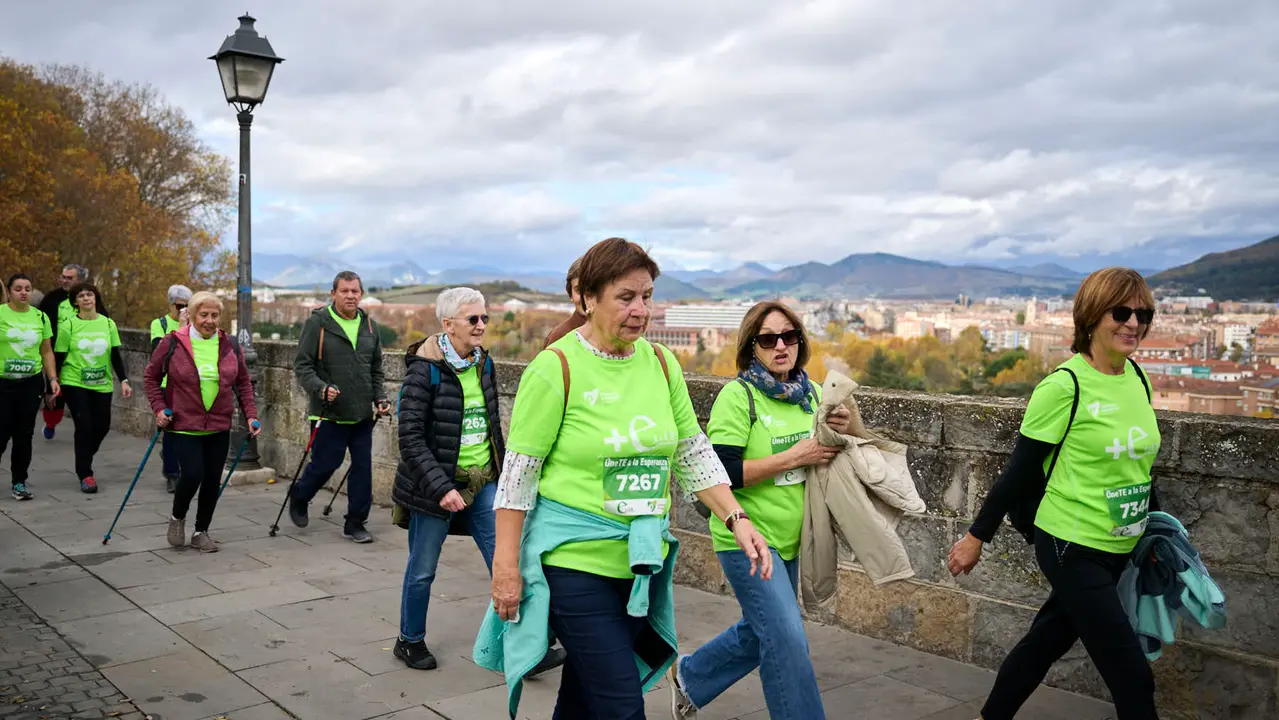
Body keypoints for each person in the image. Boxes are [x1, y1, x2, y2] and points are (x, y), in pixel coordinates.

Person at [483, 238, 773, 719]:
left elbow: (692, 452)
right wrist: (506, 567)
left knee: (582, 696)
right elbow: (518, 479)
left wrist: (736, 518)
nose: (640, 310)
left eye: (647, 296)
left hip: (640, 561)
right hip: (573, 561)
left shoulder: (660, 363)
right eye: (625, 297)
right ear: (588, 299)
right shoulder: (555, 368)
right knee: (621, 704)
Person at [947, 267, 1161, 720]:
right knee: (1133, 678)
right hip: (1071, 544)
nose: (1133, 323)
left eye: (1143, 314)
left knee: (1046, 641)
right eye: (1121, 312)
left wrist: (1154, 531)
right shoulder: (1066, 386)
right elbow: (1018, 472)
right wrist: (976, 537)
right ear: (1092, 316)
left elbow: (1138, 466)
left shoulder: (1137, 379)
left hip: (1119, 544)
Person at [669, 301, 849, 719]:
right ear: (752, 347)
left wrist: (844, 427)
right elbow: (720, 473)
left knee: (763, 630)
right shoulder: (739, 398)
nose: (781, 346)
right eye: (768, 339)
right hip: (746, 540)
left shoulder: (812, 395)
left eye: (789, 336)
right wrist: (794, 456)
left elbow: (834, 450)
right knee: (786, 638)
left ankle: (690, 677)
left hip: (792, 540)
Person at [145, 292, 260, 552]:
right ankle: (177, 517)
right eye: (204, 314)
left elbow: (243, 382)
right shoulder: (173, 342)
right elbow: (151, 377)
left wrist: (251, 415)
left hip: (219, 424)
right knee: (193, 473)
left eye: (215, 315)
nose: (209, 320)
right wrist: (159, 408)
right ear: (192, 315)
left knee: (211, 480)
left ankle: (201, 531)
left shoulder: (229, 344)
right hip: (183, 423)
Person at [289, 271, 392, 542]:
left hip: (362, 414)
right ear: (333, 294)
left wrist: (380, 398)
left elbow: (376, 370)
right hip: (329, 412)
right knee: (326, 464)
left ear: (361, 294)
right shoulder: (318, 324)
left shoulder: (370, 327)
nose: (350, 296)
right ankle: (300, 495)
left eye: (355, 291)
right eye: (344, 291)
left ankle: (355, 522)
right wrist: (321, 388)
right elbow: (302, 365)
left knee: (362, 469)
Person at [54, 282, 130, 494]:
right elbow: (59, 356)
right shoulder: (68, 325)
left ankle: (84, 456)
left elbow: (115, 354)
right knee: (84, 425)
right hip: (74, 382)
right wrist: (53, 383)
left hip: (102, 383)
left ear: (96, 298)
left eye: (89, 294)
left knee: (102, 426)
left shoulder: (108, 324)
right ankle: (85, 473)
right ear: (75, 302)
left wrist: (124, 379)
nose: (86, 298)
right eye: (81, 296)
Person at [0, 274, 59, 501]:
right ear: (9, 292)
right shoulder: (1, 313)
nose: (23, 292)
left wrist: (52, 378)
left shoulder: (40, 317)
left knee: (24, 434)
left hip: (30, 382)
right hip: (3, 383)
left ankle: (19, 482)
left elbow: (46, 350)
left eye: (27, 288)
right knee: (1, 432)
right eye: (18, 288)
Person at [38, 264, 105, 439]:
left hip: (85, 356)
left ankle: (84, 428)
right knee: (55, 394)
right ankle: (51, 422)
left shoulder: (91, 298)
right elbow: (39, 322)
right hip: (58, 355)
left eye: (70, 278)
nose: (65, 281)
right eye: (63, 277)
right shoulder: (52, 298)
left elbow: (105, 321)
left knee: (84, 396)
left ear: (80, 279)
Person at [151, 284, 193, 493]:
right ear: (170, 305)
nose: (183, 310)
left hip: (189, 386)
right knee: (170, 431)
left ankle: (179, 465)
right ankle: (172, 474)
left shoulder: (196, 326)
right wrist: (182, 329)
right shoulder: (160, 324)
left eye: (188, 306)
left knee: (187, 432)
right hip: (167, 385)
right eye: (179, 306)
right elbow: (161, 354)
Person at [543, 256, 586, 348]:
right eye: (578, 290)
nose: (585, 297)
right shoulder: (559, 337)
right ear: (571, 295)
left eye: (591, 289)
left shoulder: (615, 333)